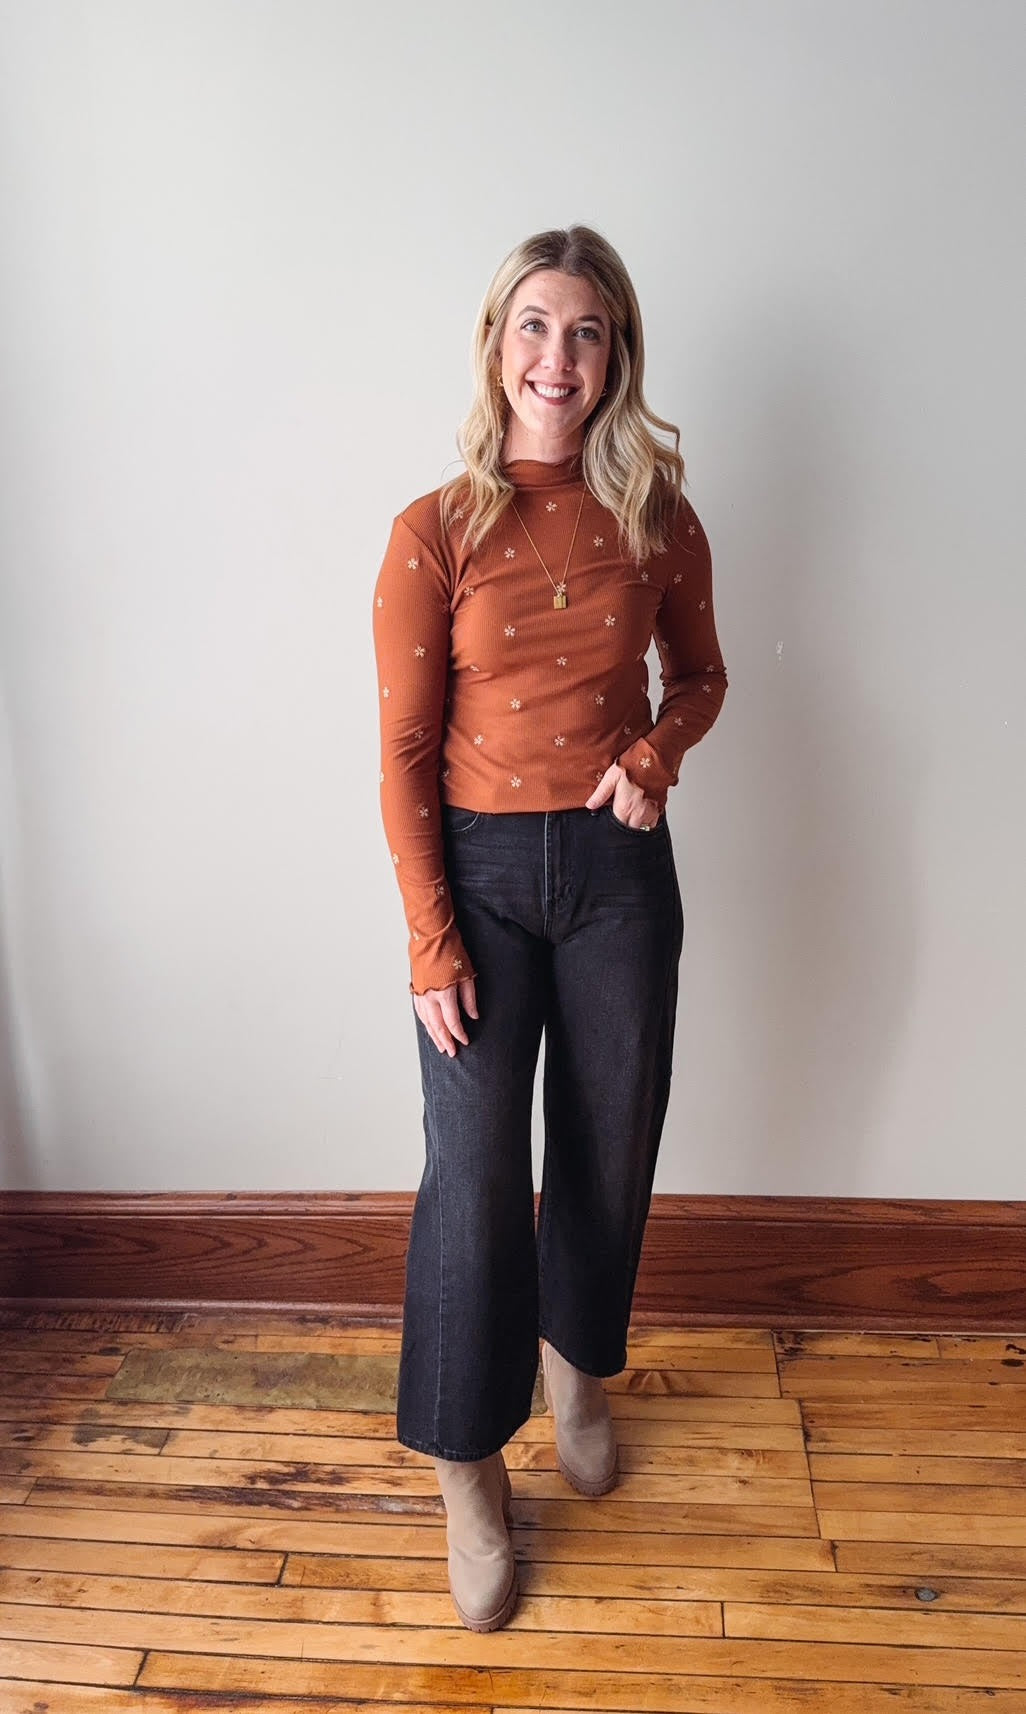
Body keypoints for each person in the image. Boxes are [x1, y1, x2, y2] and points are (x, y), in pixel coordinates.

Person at [372, 224, 727, 1631]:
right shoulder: (433, 526)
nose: (557, 357)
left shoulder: (657, 509)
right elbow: (400, 753)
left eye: (584, 331)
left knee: (606, 1137)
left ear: (615, 353)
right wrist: (427, 937)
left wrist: (652, 759)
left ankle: (579, 1365)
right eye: (534, 325)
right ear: (494, 344)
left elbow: (696, 676)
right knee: (469, 1180)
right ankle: (468, 1469)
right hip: (473, 878)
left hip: (618, 875)